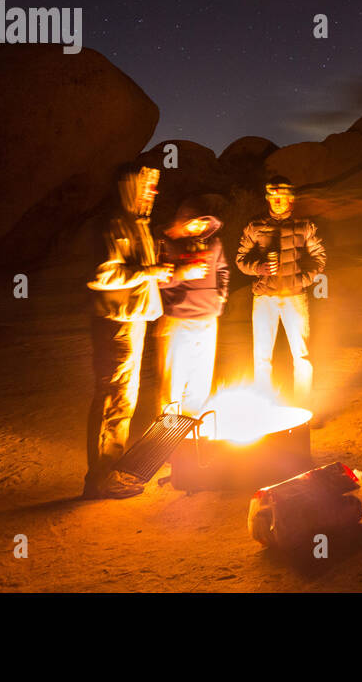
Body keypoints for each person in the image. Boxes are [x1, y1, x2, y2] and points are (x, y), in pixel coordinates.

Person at [83, 164, 173, 499]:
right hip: (116, 323)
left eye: (155, 186)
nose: (154, 192)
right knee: (114, 399)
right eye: (148, 185)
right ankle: (100, 478)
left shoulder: (137, 225)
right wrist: (151, 270)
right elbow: (102, 275)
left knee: (124, 398)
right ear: (130, 186)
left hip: (131, 320)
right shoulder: (115, 224)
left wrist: (154, 273)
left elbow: (139, 272)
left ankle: (109, 471)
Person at [235, 176, 326, 407]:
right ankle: (264, 405)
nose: (277, 200)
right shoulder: (255, 226)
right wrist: (258, 267)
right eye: (273, 196)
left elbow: (319, 256)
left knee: (302, 356)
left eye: (282, 196)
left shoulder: (304, 225)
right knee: (262, 357)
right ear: (268, 198)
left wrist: (303, 279)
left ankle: (303, 407)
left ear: (290, 199)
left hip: (295, 297)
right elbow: (240, 259)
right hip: (265, 297)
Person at [156, 199, 228, 418]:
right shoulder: (167, 244)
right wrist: (182, 273)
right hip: (179, 319)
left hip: (208, 319)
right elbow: (157, 280)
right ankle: (167, 434)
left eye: (204, 223)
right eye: (194, 223)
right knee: (174, 379)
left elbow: (223, 269)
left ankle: (192, 430)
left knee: (201, 377)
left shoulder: (214, 244)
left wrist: (221, 295)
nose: (199, 228)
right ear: (183, 221)